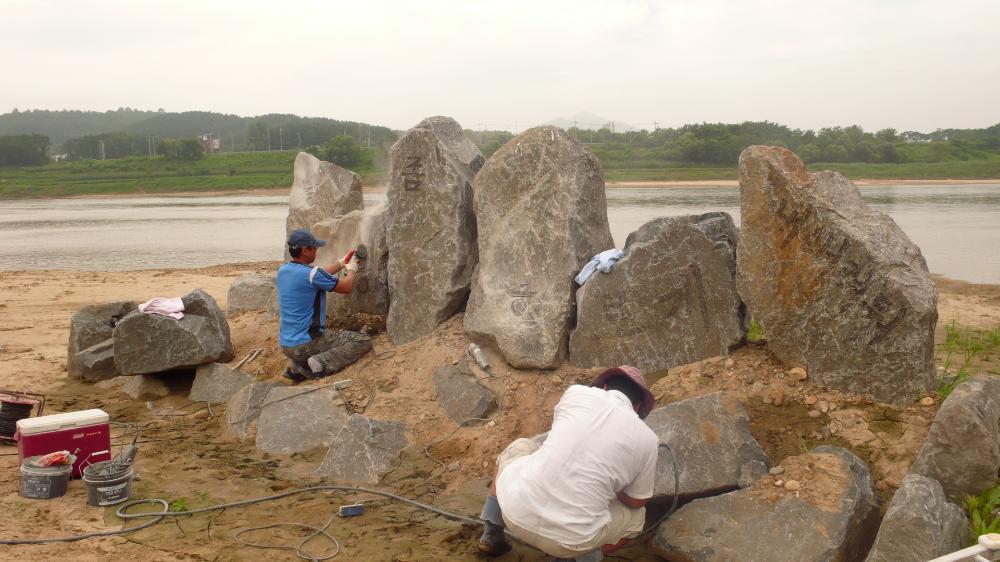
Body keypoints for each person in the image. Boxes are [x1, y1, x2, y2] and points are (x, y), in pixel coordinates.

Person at [478, 365, 658, 562]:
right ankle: (572, 559)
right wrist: (613, 488)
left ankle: (493, 533)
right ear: (639, 407)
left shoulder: (575, 393)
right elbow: (638, 501)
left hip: (513, 513)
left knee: (520, 446)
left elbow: (557, 442)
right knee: (637, 517)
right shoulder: (648, 439)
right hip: (570, 543)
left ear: (605, 387)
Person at [276, 228, 372, 382]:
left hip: (287, 345)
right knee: (361, 340)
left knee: (305, 349)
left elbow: (318, 275)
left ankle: (297, 367)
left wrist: (341, 263)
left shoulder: (284, 270)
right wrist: (352, 269)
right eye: (315, 248)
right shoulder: (312, 274)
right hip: (308, 343)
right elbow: (346, 287)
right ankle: (320, 363)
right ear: (306, 250)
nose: (317, 251)